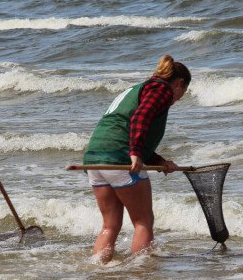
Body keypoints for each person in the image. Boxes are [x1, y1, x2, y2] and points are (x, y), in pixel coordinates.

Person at [82, 55, 191, 264]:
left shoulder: (139, 89)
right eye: (182, 93)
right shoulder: (160, 89)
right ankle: (141, 276)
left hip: (95, 157)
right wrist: (134, 152)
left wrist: (160, 162)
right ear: (179, 84)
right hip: (121, 158)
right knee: (143, 222)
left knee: (110, 225)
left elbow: (132, 129)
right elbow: (140, 117)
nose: (178, 98)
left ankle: (97, 271)